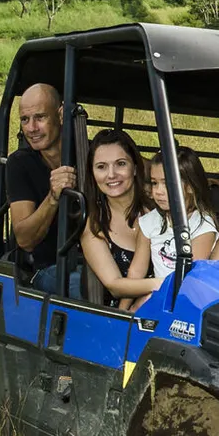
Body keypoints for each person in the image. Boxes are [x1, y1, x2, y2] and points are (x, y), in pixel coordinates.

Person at [4, 83, 79, 294]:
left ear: (61, 115)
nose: (31, 128)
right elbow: (24, 240)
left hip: (95, 262)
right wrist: (53, 197)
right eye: (25, 120)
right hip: (46, 267)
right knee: (84, 287)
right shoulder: (20, 164)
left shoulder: (86, 153)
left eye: (40, 117)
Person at [79, 128, 161, 310]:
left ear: (135, 168)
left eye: (121, 164)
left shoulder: (160, 210)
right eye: (101, 167)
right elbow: (115, 285)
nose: (111, 174)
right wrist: (166, 285)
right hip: (116, 319)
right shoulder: (93, 224)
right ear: (92, 173)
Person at [141, 147, 219, 275]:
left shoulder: (202, 226)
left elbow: (189, 278)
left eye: (167, 184)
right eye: (154, 183)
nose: (158, 191)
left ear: (190, 186)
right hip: (158, 291)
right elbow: (136, 272)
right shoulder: (150, 221)